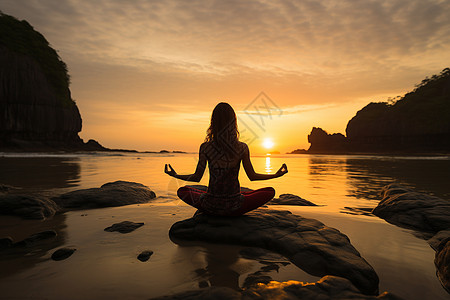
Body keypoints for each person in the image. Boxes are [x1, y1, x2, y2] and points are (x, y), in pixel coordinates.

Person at [164, 102, 288, 216]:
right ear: (233, 122)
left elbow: (197, 177)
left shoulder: (206, 147)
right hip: (235, 207)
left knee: (183, 190)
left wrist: (175, 175)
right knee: (269, 191)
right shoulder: (242, 147)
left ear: (213, 123)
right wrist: (276, 175)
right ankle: (238, 197)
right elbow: (252, 176)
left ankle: (227, 198)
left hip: (210, 206)